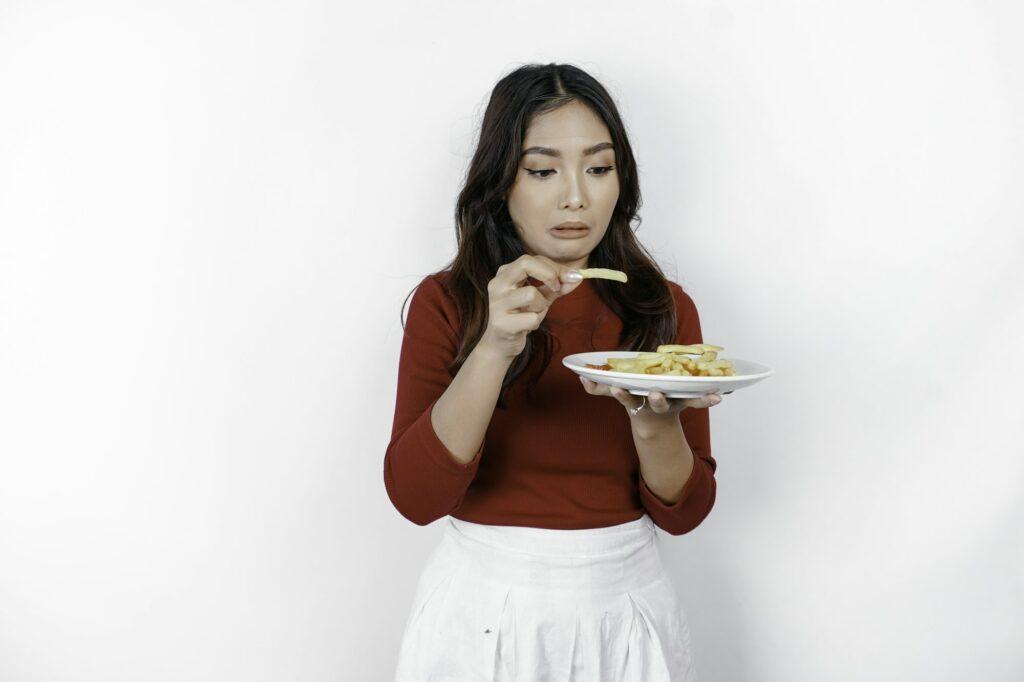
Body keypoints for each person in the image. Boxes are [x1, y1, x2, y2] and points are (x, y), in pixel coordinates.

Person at [384, 62, 722, 682]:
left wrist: (654, 425)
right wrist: (492, 346)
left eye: (598, 168)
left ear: (623, 180)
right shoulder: (449, 302)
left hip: (626, 608)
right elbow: (415, 498)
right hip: (482, 610)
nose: (576, 196)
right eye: (542, 171)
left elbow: (686, 512)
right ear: (500, 184)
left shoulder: (663, 308)